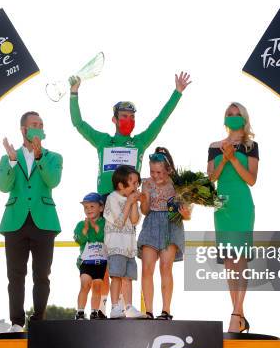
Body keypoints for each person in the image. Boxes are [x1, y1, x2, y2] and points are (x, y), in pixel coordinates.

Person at [70, 71, 191, 314]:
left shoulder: (139, 143)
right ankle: (101, 305)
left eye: (132, 117)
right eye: (124, 116)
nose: (129, 120)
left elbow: (159, 121)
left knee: (124, 254)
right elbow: (79, 124)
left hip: (131, 203)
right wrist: (74, 94)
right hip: (107, 203)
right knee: (103, 255)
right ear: (114, 119)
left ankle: (126, 305)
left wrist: (177, 93)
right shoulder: (103, 141)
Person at [0, 111, 63, 332]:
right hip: (15, 221)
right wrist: (12, 161)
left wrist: (39, 157)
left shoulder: (53, 157)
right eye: (34, 124)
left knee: (42, 275)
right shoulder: (8, 157)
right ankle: (16, 322)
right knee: (15, 275)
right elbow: (3, 186)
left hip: (44, 221)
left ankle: (38, 321)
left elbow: (52, 181)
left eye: (41, 124)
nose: (39, 127)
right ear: (23, 129)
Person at [207, 103, 259, 333]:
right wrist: (224, 157)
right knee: (229, 262)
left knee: (240, 259)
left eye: (238, 114)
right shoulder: (213, 146)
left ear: (244, 118)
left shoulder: (251, 146)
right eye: (230, 114)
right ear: (225, 118)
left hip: (241, 204)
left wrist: (234, 158)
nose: (234, 118)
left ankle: (236, 314)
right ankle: (239, 314)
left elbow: (251, 179)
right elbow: (211, 178)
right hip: (221, 206)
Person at [138, 148, 191, 320]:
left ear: (167, 169)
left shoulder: (178, 184)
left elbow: (188, 213)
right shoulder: (146, 182)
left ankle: (166, 311)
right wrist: (144, 199)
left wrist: (185, 213)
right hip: (151, 222)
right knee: (147, 268)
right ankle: (148, 311)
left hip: (171, 224)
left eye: (159, 172)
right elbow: (144, 211)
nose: (155, 175)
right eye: (152, 171)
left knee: (165, 267)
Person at [104, 165, 143, 319]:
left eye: (137, 183)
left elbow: (134, 220)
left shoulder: (132, 200)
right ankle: (115, 306)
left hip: (129, 246)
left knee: (128, 278)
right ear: (121, 185)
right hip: (115, 246)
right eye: (133, 182)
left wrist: (134, 202)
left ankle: (128, 306)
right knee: (116, 276)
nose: (136, 186)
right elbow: (119, 222)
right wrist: (129, 202)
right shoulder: (112, 198)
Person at [73, 192, 108, 320]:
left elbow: (103, 237)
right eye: (86, 207)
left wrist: (94, 226)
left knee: (97, 286)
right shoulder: (81, 224)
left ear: (101, 208)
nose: (88, 210)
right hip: (86, 261)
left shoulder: (105, 223)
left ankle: (94, 311)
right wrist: (85, 230)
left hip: (100, 261)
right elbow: (79, 240)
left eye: (92, 206)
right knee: (85, 284)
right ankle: (80, 312)